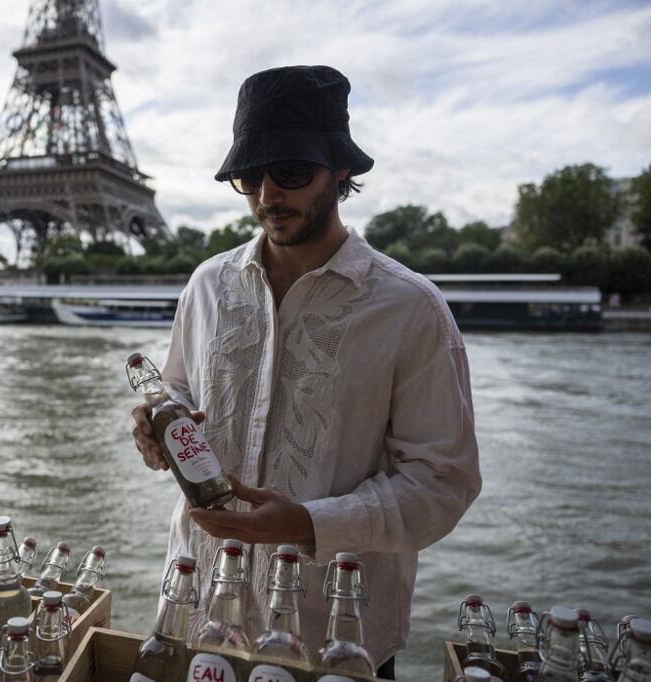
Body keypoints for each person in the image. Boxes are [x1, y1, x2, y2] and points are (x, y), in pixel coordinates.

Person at [129, 65, 482, 680]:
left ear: (341, 171)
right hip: (197, 611)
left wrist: (309, 524)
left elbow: (444, 485)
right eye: (249, 177)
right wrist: (156, 430)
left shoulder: (411, 309)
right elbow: (180, 392)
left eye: (290, 173)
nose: (267, 196)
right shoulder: (206, 285)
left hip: (337, 641)